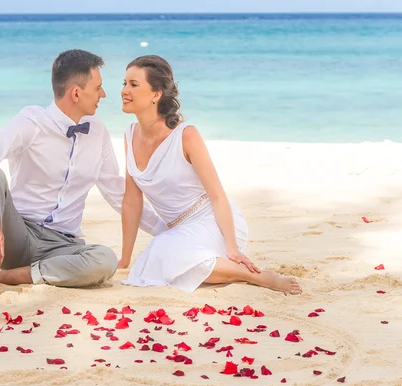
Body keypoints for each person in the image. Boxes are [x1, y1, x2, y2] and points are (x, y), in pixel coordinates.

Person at [0, 49, 168, 305]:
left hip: (63, 247)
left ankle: (9, 277)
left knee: (105, 260)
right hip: (18, 235)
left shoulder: (98, 131)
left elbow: (117, 193)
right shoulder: (32, 121)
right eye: (98, 87)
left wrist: (165, 230)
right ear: (76, 93)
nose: (103, 94)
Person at [118, 55, 302, 295]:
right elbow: (132, 201)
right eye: (124, 83)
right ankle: (226, 268)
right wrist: (124, 258)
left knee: (163, 250)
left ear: (156, 94)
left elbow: (217, 196)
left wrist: (232, 245)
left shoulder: (186, 136)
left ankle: (260, 277)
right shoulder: (129, 135)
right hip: (176, 230)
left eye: (133, 84)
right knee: (155, 258)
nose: (124, 90)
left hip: (213, 222)